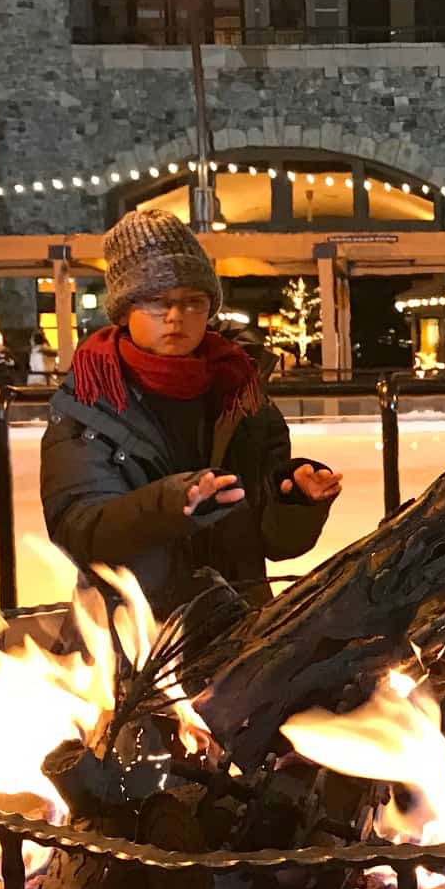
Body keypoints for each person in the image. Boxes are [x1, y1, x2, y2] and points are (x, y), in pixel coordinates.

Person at [41, 209, 342, 619]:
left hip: (236, 629)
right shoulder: (90, 399)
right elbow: (81, 530)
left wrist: (296, 499)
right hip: (132, 635)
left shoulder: (242, 394)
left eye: (192, 302)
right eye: (155, 301)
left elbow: (274, 543)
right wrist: (171, 504)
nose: (175, 316)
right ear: (125, 309)